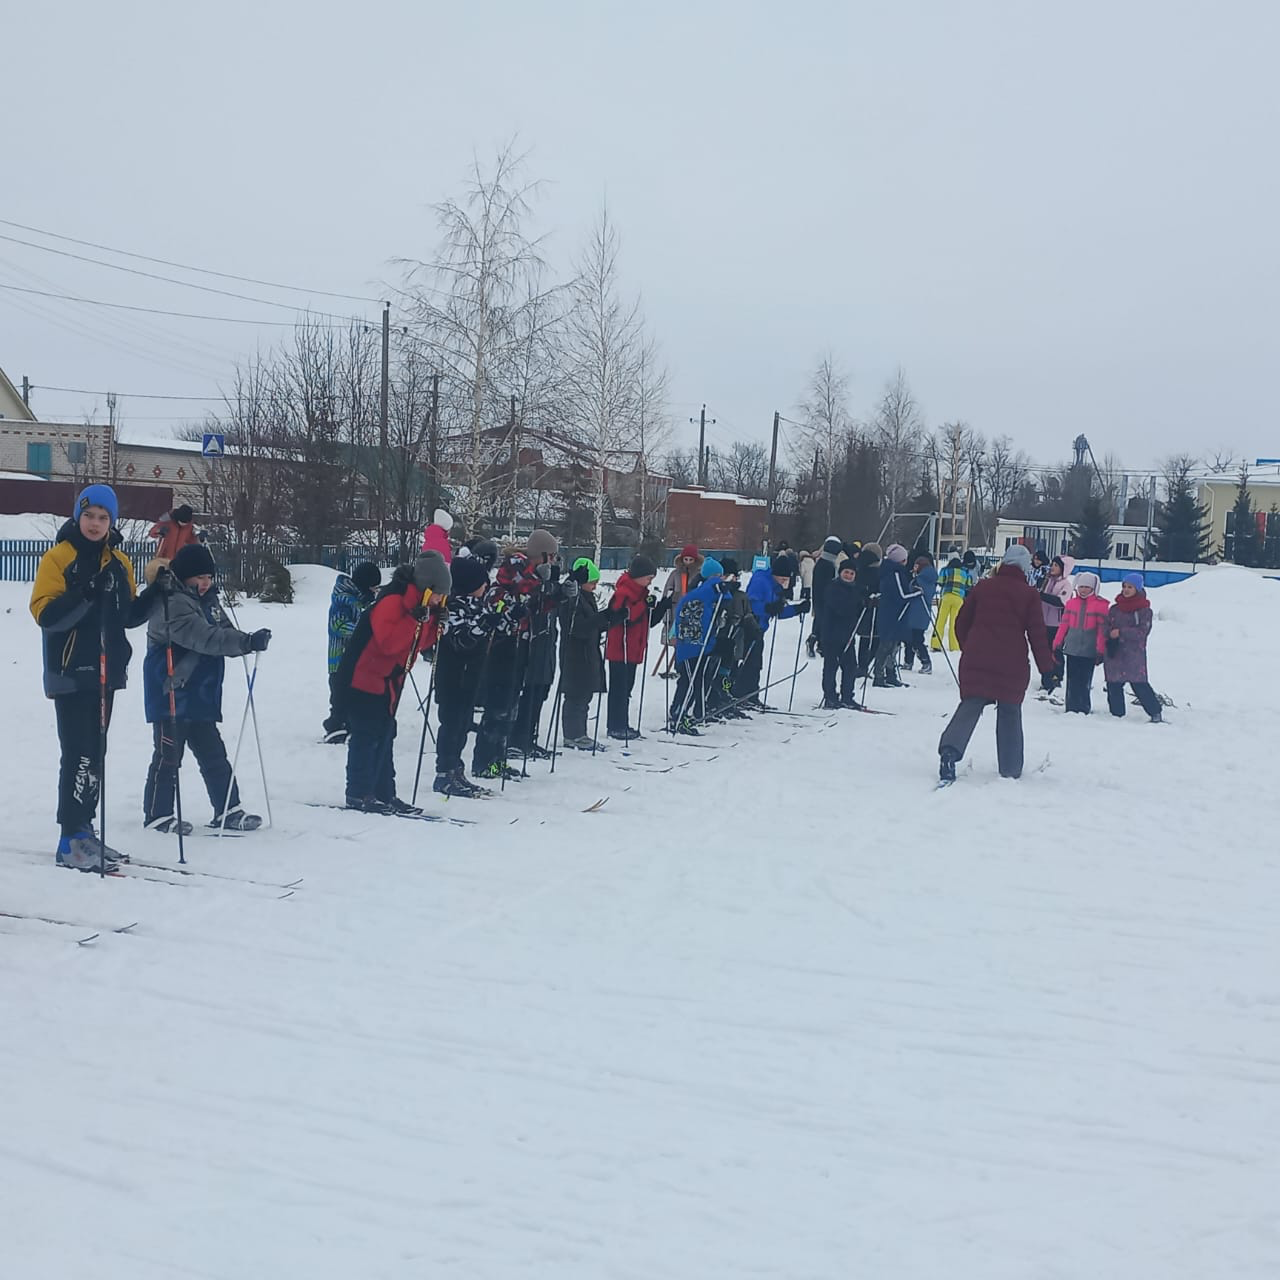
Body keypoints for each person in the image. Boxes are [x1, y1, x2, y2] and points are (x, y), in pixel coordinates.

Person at [30, 484, 164, 870]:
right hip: (71, 671)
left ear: (112, 522)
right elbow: (46, 615)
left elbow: (127, 616)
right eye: (89, 515)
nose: (95, 523)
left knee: (96, 753)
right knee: (78, 754)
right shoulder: (60, 557)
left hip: (107, 672)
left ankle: (85, 830)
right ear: (78, 516)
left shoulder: (119, 560)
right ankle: (70, 837)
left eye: (103, 517)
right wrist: (86, 592)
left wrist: (157, 593)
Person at [142, 543, 272, 834]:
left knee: (213, 753)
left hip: (200, 692)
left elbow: (222, 630)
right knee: (168, 756)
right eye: (199, 578)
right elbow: (203, 637)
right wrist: (245, 643)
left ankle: (228, 808)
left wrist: (248, 639)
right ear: (184, 577)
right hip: (171, 690)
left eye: (209, 578)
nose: (205, 583)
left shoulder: (208, 601)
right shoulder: (171, 602)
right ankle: (157, 813)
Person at [336, 551, 449, 812]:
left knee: (385, 735)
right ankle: (359, 792)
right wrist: (414, 620)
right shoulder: (392, 602)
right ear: (426, 588)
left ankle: (385, 793)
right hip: (363, 678)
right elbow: (389, 644)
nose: (441, 599)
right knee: (367, 736)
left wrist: (432, 625)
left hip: (388, 682)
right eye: (439, 594)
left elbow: (415, 646)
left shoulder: (418, 606)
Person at [937, 544, 1055, 783]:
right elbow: (1037, 634)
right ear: (1024, 567)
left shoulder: (983, 587)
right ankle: (1010, 768)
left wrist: (969, 645)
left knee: (970, 705)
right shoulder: (1028, 594)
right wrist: (1048, 669)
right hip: (1011, 662)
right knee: (1010, 711)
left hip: (977, 656)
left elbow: (961, 622)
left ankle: (949, 752)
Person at [432, 555, 494, 798]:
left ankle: (457, 770)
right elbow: (460, 641)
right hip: (453, 677)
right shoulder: (455, 606)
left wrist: (495, 621)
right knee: (452, 724)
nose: (486, 587)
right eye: (481, 582)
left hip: (470, 677)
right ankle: (444, 772)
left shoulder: (477, 604)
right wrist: (483, 627)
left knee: (463, 725)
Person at [473, 549, 537, 781]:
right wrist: (512, 616)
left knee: (510, 709)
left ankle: (499, 760)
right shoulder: (496, 593)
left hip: (518, 653)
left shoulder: (521, 594)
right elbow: (495, 624)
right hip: (499, 656)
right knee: (496, 711)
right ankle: (484, 762)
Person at [512, 529, 566, 760]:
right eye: (551, 556)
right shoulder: (519, 571)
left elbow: (549, 603)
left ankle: (529, 736)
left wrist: (561, 590)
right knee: (528, 690)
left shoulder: (546, 574)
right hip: (526, 640)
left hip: (545, 637)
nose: (554, 561)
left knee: (541, 688)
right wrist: (539, 583)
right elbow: (525, 599)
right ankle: (517, 737)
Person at [604, 553, 662, 740]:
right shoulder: (623, 592)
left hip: (633, 649)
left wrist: (660, 607)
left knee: (627, 688)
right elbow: (624, 617)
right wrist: (643, 605)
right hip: (621, 649)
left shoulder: (641, 593)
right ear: (638, 576)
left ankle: (622, 723)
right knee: (619, 689)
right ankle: (615, 726)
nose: (650, 581)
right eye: (648, 577)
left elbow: (647, 620)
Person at [737, 554, 809, 705]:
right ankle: (739, 694)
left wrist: (797, 609)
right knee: (748, 663)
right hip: (749, 626)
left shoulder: (775, 587)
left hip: (760, 629)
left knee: (756, 664)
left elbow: (778, 611)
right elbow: (751, 605)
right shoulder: (760, 581)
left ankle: (752, 695)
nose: (784, 582)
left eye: (786, 580)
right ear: (774, 574)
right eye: (782, 579)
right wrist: (768, 608)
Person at [322, 561, 382, 743]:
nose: (374, 592)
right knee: (341, 695)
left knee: (355, 694)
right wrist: (364, 629)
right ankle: (335, 725)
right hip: (340, 658)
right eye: (373, 587)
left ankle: (351, 724)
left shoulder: (362, 601)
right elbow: (337, 625)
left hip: (357, 659)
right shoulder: (343, 599)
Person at [558, 557, 611, 749]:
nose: (595, 587)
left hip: (588, 652)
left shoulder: (586, 598)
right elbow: (577, 627)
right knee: (576, 695)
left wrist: (609, 618)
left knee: (584, 695)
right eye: (592, 583)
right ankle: (573, 734)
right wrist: (602, 617)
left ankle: (580, 732)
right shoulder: (572, 598)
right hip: (575, 654)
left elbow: (592, 625)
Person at [669, 557, 726, 732]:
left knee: (696, 680)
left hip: (701, 645)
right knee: (689, 681)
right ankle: (678, 715)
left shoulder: (707, 594)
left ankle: (691, 712)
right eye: (717, 576)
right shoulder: (699, 594)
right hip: (690, 648)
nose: (720, 580)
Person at [1104, 572, 1163, 722]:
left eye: (1130, 587)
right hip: (1115, 652)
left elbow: (1143, 631)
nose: (1126, 590)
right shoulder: (1115, 609)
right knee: (1113, 684)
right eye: (1124, 586)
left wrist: (1121, 633)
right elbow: (1106, 626)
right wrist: (1109, 635)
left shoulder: (1144, 610)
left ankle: (1155, 712)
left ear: (1138, 588)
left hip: (1133, 654)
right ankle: (1116, 715)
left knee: (1139, 684)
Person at [1053, 571, 1109, 714]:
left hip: (1089, 650)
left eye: (1087, 587)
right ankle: (1071, 706)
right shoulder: (1071, 604)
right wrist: (1057, 642)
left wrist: (1100, 650)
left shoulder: (1100, 606)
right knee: (1071, 679)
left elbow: (1102, 631)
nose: (1083, 590)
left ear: (1093, 588)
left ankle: (1083, 707)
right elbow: (1064, 625)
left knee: (1085, 680)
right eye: (1081, 587)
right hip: (1072, 648)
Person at [871, 544, 921, 688]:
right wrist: (917, 593)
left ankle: (890, 674)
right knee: (886, 645)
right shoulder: (895, 573)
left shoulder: (891, 571)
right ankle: (879, 675)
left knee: (893, 645)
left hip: (893, 613)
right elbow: (902, 595)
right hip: (892, 614)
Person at [819, 559, 865, 709]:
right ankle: (830, 696)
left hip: (848, 635)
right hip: (832, 634)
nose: (849, 575)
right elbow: (842, 609)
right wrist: (858, 601)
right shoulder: (833, 588)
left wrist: (866, 604)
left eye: (852, 573)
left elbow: (856, 611)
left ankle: (847, 696)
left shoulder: (855, 589)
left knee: (850, 666)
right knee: (831, 666)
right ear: (840, 573)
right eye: (846, 572)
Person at [657, 545, 702, 677]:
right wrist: (671, 597)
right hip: (675, 611)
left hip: (691, 612)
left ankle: (683, 666)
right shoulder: (675, 574)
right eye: (685, 559)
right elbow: (667, 591)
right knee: (675, 639)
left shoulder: (698, 575)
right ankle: (678, 666)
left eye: (690, 560)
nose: (688, 562)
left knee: (687, 640)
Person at [1036, 555, 1074, 693]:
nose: (1052, 567)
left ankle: (1057, 677)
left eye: (1056, 565)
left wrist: (1041, 596)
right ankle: (1046, 677)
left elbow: (1060, 602)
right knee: (1044, 652)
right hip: (1044, 622)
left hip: (1058, 624)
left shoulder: (1066, 585)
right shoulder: (1047, 581)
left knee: (1056, 651)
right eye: (1052, 564)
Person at [807, 535, 845, 658]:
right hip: (824, 598)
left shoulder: (825, 563)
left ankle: (819, 644)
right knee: (823, 621)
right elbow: (827, 584)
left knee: (821, 620)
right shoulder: (827, 565)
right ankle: (816, 642)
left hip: (821, 598)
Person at [901, 551, 937, 673]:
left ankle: (925, 662)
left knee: (916, 640)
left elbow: (917, 592)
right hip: (917, 613)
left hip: (917, 613)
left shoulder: (922, 579)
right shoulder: (926, 578)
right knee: (909, 638)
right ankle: (908, 661)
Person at [931, 552, 972, 652]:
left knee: (940, 621)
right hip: (958, 598)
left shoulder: (945, 570)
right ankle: (954, 645)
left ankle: (936, 643)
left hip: (946, 596)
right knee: (954, 623)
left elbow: (940, 582)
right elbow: (969, 585)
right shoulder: (965, 572)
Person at [852, 542, 882, 677]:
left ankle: (861, 666)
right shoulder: (878, 570)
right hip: (875, 605)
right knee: (875, 638)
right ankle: (865, 664)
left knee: (864, 638)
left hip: (861, 606)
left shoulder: (859, 566)